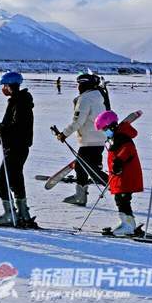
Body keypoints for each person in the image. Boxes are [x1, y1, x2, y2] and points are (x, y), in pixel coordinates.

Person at [0, 72, 36, 228]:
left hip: (16, 146)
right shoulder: (20, 101)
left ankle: (10, 215)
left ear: (9, 86)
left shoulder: (19, 102)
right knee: (15, 180)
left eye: (4, 86)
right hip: (18, 146)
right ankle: (23, 213)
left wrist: (1, 128)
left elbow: (18, 126)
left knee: (1, 182)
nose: (3, 89)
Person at [57, 74, 108, 206]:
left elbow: (78, 121)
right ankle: (81, 196)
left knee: (82, 168)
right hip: (100, 139)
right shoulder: (98, 97)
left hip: (89, 140)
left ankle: (110, 184)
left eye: (79, 84)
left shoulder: (85, 99)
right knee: (88, 168)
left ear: (84, 85)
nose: (77, 87)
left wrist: (64, 134)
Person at [94, 110, 143, 236]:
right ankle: (127, 223)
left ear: (111, 125)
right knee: (121, 199)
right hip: (120, 175)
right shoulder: (116, 136)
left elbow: (128, 150)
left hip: (126, 176)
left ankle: (128, 226)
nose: (104, 132)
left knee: (123, 199)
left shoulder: (121, 136)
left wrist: (119, 162)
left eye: (104, 129)